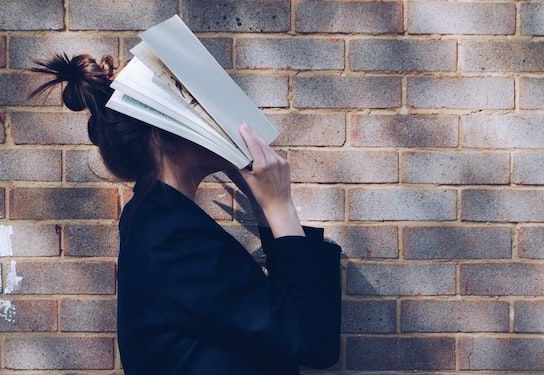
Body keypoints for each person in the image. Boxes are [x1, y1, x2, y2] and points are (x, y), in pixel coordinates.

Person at [27, 52, 342, 374]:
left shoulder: (161, 220)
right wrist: (280, 205)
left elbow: (285, 323)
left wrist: (262, 200)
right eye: (197, 109)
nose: (219, 119)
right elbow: (312, 340)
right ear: (165, 136)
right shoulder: (171, 238)